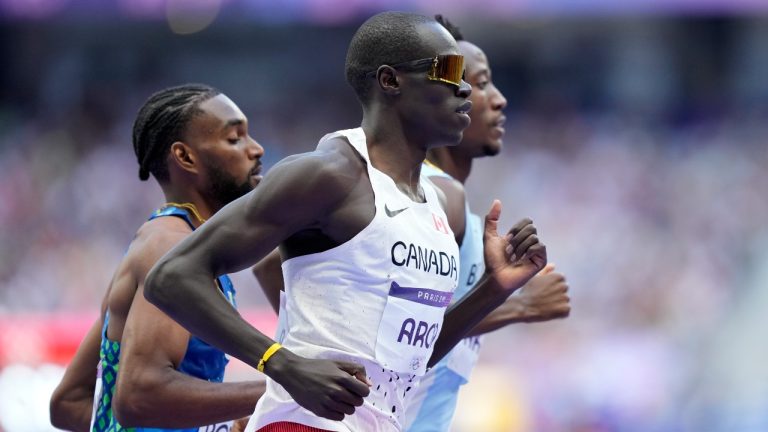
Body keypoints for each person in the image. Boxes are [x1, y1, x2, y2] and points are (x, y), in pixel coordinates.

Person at [143, 12, 547, 432]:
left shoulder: (435, 202)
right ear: (389, 81)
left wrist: (493, 288)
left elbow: (409, 359)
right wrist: (281, 363)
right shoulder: (331, 174)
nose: (463, 87)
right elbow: (171, 276)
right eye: (447, 70)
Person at [49, 84, 267, 432]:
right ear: (185, 157)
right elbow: (140, 396)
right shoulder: (169, 246)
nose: (256, 149)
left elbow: (69, 402)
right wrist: (284, 388)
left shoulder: (181, 241)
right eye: (235, 138)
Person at [403, 16, 571, 432]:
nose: (499, 100)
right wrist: (519, 306)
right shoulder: (418, 194)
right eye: (480, 84)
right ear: (445, 97)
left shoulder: (450, 202)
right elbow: (401, 337)